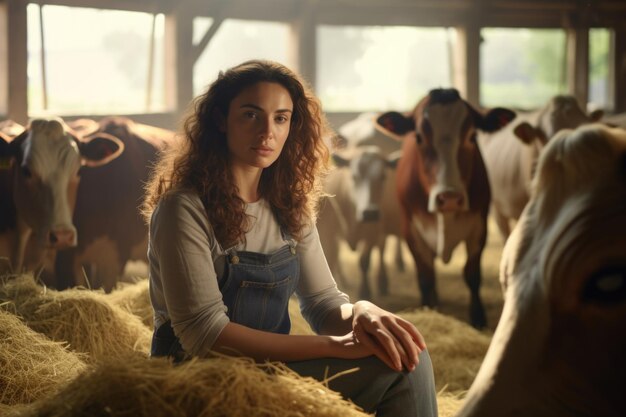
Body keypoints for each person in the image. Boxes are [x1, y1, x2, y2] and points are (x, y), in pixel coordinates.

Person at [142, 59, 438, 417]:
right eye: (252, 115)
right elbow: (205, 335)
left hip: (270, 369)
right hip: (197, 375)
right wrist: (331, 346)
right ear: (221, 120)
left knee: (409, 357)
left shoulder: (288, 205)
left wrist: (362, 311)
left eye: (281, 118)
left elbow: (324, 303)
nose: (268, 131)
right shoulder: (183, 209)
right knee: (399, 372)